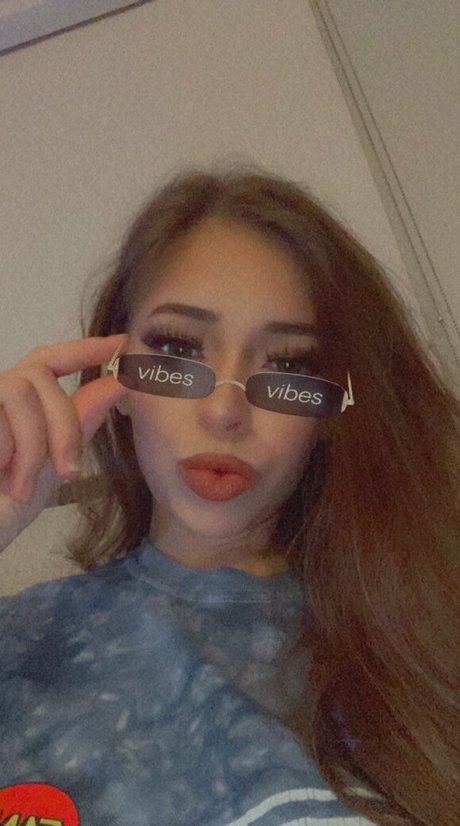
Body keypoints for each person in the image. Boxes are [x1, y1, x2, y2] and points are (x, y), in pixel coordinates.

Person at [0, 168, 458, 826]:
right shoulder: (21, 646)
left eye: (290, 364)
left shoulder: (428, 633)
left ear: (333, 410)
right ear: (114, 376)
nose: (224, 411)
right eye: (178, 347)